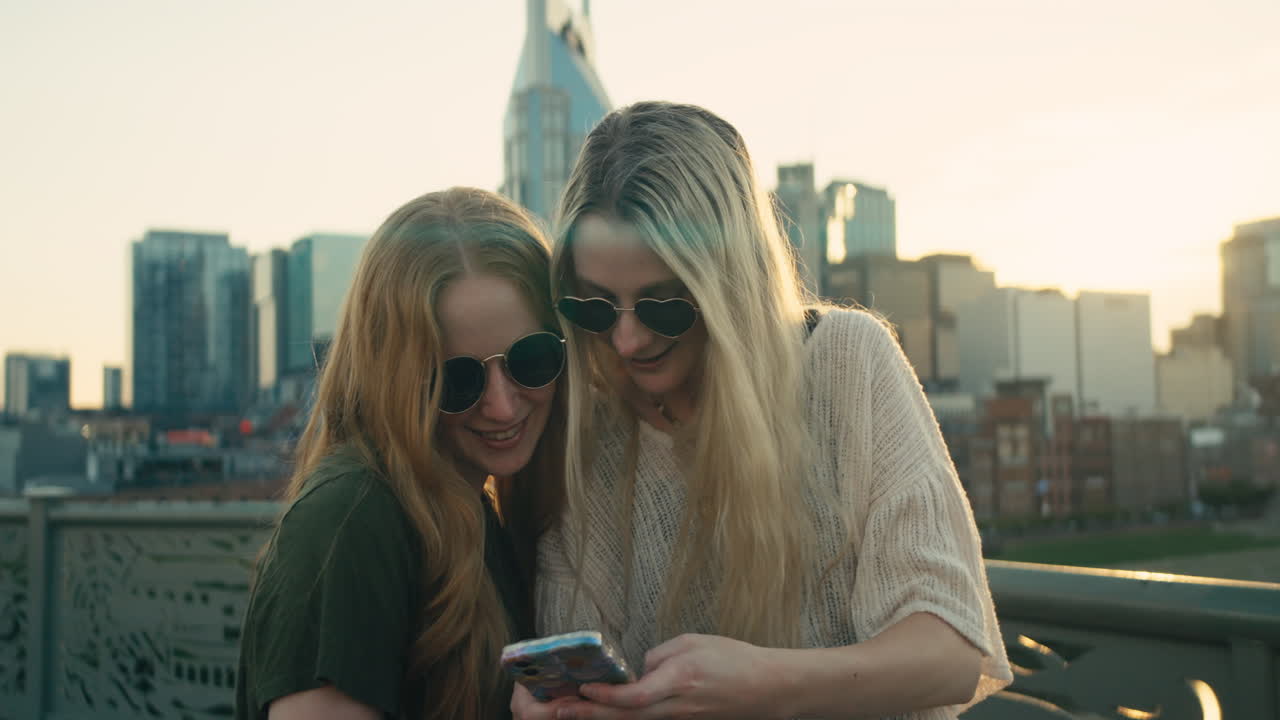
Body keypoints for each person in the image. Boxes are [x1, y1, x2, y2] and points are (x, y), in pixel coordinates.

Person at [512, 102, 1012, 720]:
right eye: (594, 306)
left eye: (663, 305)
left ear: (730, 284)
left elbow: (950, 654)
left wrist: (763, 683)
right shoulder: (586, 434)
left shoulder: (845, 364)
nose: (626, 340)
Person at [236, 187, 567, 720]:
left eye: (531, 359)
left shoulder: (470, 506)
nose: (503, 406)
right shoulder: (349, 521)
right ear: (393, 377)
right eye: (457, 380)